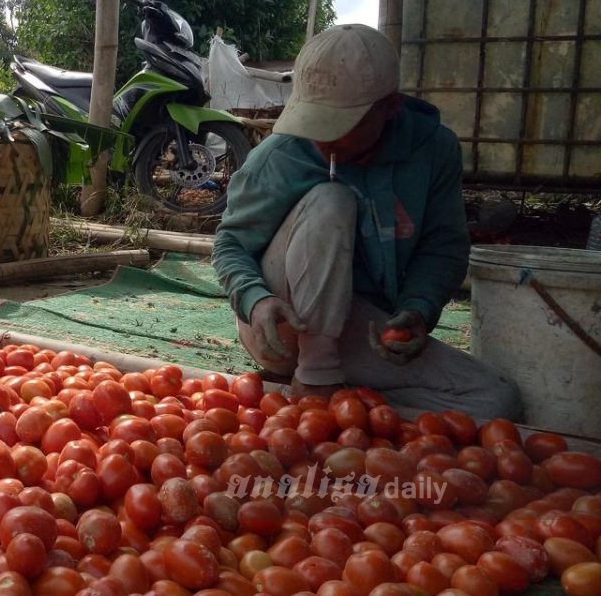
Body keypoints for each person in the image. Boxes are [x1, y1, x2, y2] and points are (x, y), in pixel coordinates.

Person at [211, 24, 522, 420]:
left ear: (389, 107)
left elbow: (442, 248)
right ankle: (316, 379)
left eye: (338, 126)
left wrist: (417, 308)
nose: (322, 142)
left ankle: (355, 406)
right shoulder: (282, 155)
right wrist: (254, 299)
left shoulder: (433, 150)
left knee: (497, 403)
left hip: (363, 329)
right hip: (281, 323)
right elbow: (230, 245)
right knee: (330, 199)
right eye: (314, 121)